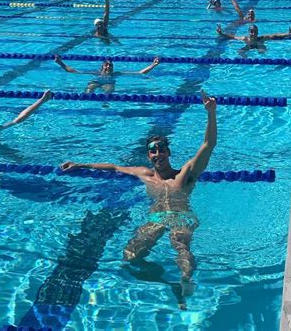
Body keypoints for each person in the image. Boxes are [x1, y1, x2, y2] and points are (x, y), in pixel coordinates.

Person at [60, 91, 217, 303]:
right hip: (156, 218)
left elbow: (207, 145)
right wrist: (81, 164)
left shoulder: (184, 174)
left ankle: (185, 281)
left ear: (168, 153)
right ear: (149, 156)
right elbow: (114, 167)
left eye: (162, 149)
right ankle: (168, 283)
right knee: (130, 257)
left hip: (181, 216)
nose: (157, 153)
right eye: (153, 150)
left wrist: (211, 113)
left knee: (180, 246)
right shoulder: (145, 175)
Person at [54, 55, 160, 93]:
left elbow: (139, 73)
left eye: (110, 66)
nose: (109, 67)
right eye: (107, 65)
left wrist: (153, 65)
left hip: (109, 83)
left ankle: (105, 103)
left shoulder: (116, 74)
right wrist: (60, 63)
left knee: (108, 90)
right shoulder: (96, 73)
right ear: (102, 67)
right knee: (90, 89)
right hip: (96, 81)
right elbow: (74, 72)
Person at [217, 23, 291, 54]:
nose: (253, 33)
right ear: (248, 32)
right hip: (249, 46)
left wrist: (288, 34)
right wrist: (221, 33)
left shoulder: (262, 38)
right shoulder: (245, 39)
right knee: (240, 52)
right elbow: (232, 37)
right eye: (251, 31)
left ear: (257, 32)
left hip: (260, 45)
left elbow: (275, 36)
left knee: (261, 51)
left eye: (255, 32)